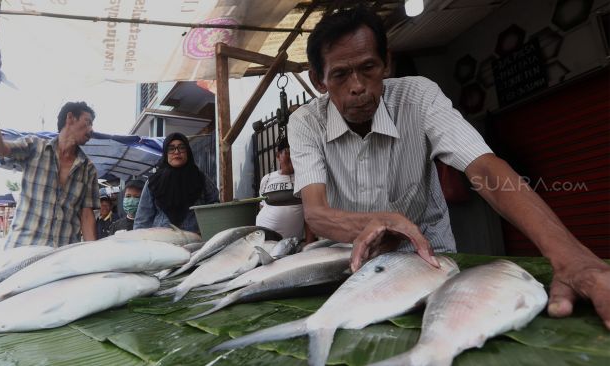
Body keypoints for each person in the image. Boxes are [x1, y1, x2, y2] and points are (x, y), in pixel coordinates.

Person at [288, 6, 610, 328]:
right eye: (341, 74)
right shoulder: (305, 122)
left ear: (387, 63)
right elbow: (316, 213)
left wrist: (571, 256)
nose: (357, 86)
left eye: (368, 67)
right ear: (319, 80)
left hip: (427, 257)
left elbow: (484, 168)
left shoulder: (419, 96)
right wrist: (376, 221)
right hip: (354, 263)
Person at [0, 62, 99, 248]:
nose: (91, 130)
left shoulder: (88, 169)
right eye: (87, 122)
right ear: (70, 118)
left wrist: (93, 256)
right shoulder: (35, 147)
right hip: (23, 249)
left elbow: (87, 216)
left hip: (60, 256)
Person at [134, 132, 219, 233]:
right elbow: (142, 220)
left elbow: (215, 211)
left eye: (182, 147)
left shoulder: (201, 178)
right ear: (165, 153)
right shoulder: (153, 182)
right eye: (171, 148)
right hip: (162, 243)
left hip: (195, 243)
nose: (177, 152)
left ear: (188, 151)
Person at [255, 137, 315, 242]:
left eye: (295, 153)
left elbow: (310, 216)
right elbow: (262, 206)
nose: (292, 157)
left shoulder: (305, 179)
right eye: (288, 153)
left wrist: (309, 243)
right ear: (278, 156)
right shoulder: (267, 179)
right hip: (263, 239)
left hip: (289, 243)